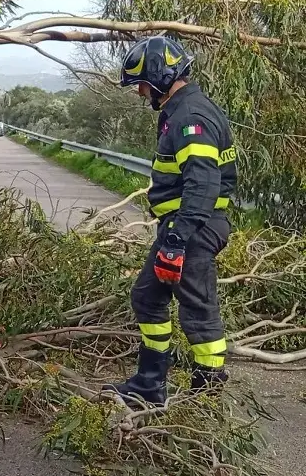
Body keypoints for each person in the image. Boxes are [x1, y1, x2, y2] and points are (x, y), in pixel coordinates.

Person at [103, 35, 236, 408]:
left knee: (197, 308)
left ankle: (205, 397)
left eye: (142, 84)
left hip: (194, 227)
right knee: (147, 296)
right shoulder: (178, 112)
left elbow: (203, 183)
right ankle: (150, 384)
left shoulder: (190, 117)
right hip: (184, 226)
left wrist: (177, 241)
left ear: (161, 76)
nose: (140, 93)